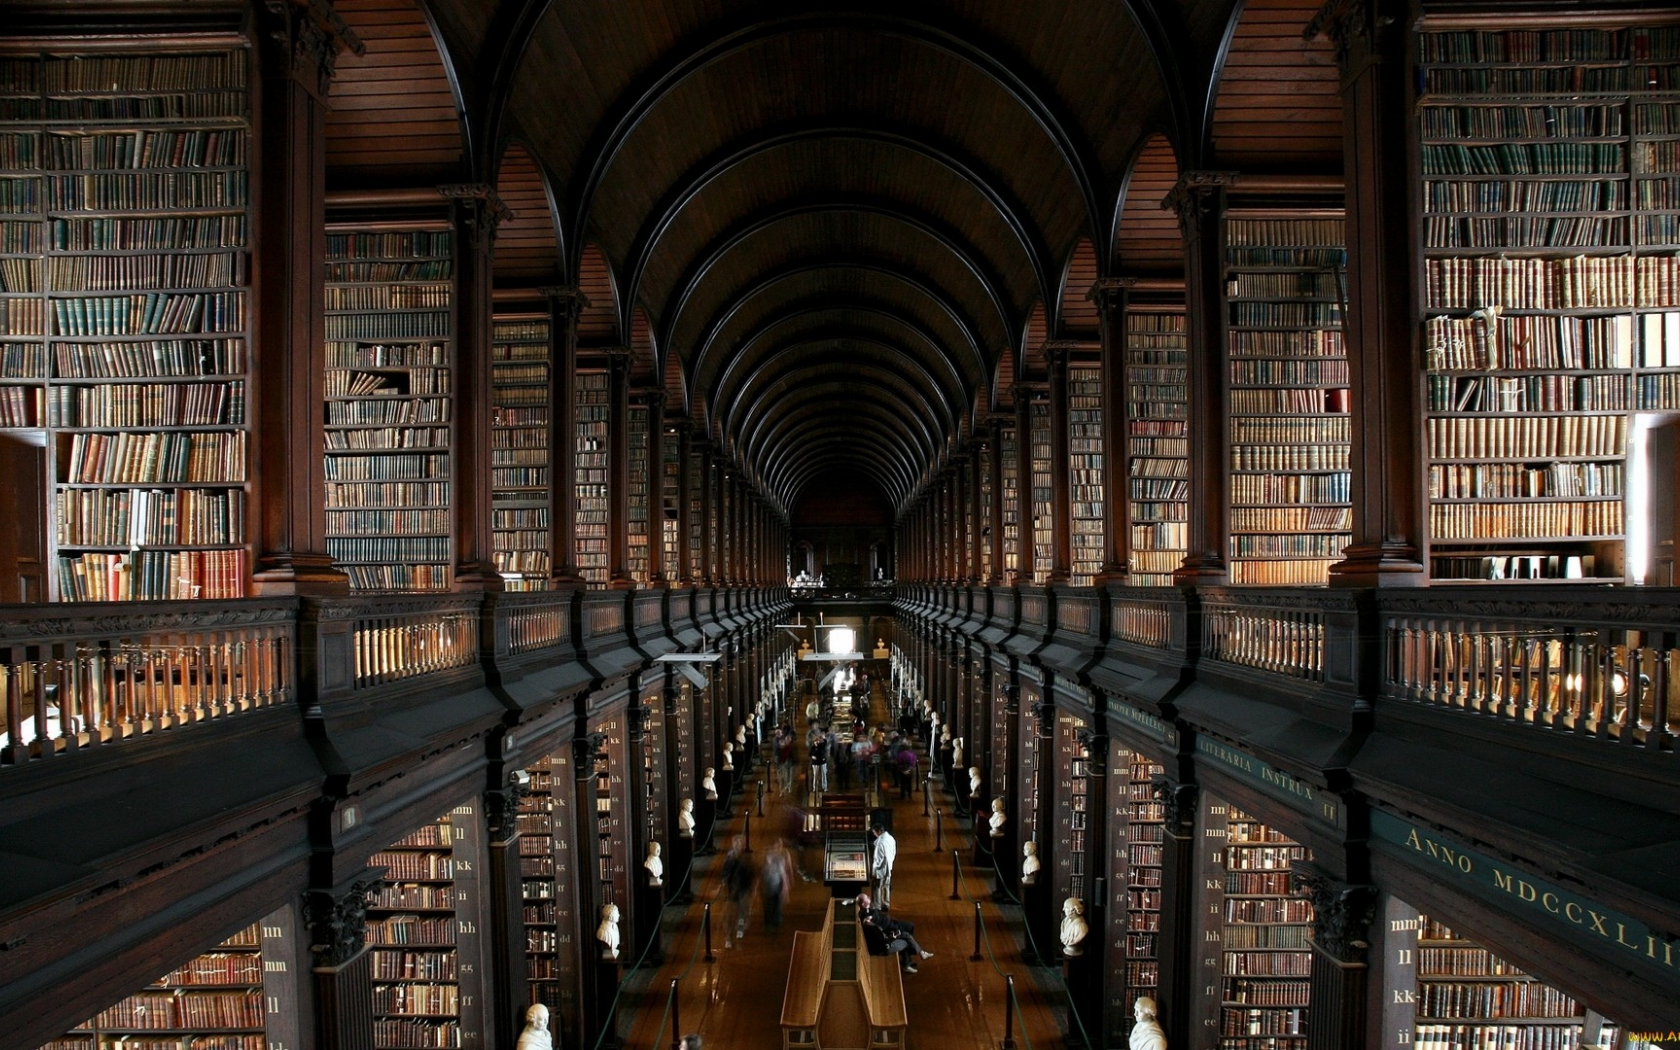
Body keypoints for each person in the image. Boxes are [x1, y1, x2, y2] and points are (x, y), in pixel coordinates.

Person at [857, 891, 933, 971]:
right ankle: (910, 961)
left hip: (888, 933)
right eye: (867, 898)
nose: (869, 897)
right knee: (907, 940)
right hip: (886, 945)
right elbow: (883, 943)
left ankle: (913, 957)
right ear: (863, 904)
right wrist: (891, 938)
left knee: (909, 930)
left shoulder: (868, 913)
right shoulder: (871, 925)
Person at [719, 834, 757, 947]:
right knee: (729, 915)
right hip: (732, 890)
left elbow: (752, 873)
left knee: (743, 910)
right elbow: (725, 872)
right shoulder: (730, 857)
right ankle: (728, 938)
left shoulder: (747, 857)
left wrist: (753, 888)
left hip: (744, 888)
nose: (738, 845)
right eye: (736, 843)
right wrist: (723, 884)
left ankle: (740, 928)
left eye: (740, 843)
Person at [761, 837, 793, 931]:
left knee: (778, 902)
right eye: (777, 844)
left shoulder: (785, 853)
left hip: (779, 881)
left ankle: (776, 923)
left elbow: (788, 868)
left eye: (780, 844)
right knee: (769, 903)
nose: (779, 846)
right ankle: (769, 924)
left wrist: (789, 880)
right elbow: (763, 868)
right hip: (769, 881)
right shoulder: (768, 853)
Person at [870, 821, 897, 908]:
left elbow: (878, 859)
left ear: (878, 831)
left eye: (874, 832)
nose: (874, 835)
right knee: (886, 886)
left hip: (880, 869)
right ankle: (886, 904)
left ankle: (876, 905)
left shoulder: (880, 843)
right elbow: (893, 852)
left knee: (877, 887)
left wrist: (874, 871)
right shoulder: (891, 838)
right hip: (889, 867)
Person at [808, 725, 830, 791]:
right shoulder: (812, 748)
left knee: (824, 774)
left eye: (818, 741)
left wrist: (823, 737)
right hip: (815, 763)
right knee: (815, 776)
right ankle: (815, 788)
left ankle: (825, 787)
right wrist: (812, 756)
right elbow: (810, 754)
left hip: (822, 761)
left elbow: (825, 742)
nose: (817, 742)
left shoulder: (821, 746)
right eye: (815, 741)